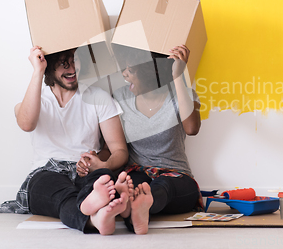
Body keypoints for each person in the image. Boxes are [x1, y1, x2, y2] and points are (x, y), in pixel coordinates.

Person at [0, 46, 132, 235]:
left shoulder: (99, 97)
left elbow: (120, 150)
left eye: (75, 61)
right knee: (62, 196)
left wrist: (102, 164)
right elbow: (26, 124)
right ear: (49, 67)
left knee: (104, 180)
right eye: (64, 64)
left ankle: (98, 215)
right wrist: (38, 70)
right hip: (46, 172)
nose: (72, 69)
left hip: (86, 170)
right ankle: (95, 215)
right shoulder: (36, 100)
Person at [78, 44, 202, 235]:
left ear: (150, 73)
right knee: (129, 186)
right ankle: (134, 210)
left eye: (131, 70)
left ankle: (138, 205)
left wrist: (178, 76)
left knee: (162, 187)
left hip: (175, 176)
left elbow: (192, 128)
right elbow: (109, 148)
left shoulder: (181, 94)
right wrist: (97, 161)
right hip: (136, 172)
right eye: (124, 69)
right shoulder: (120, 97)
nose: (125, 75)